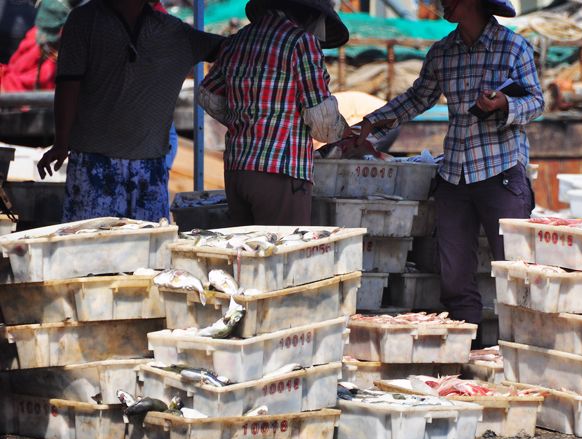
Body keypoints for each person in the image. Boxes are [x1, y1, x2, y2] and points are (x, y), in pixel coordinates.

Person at [356, 0, 543, 334]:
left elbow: (536, 101)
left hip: (501, 171)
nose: (443, 5)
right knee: (454, 274)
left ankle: (523, 343)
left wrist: (505, 103)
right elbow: (418, 98)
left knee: (516, 268)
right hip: (454, 173)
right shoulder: (443, 52)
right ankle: (466, 348)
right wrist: (372, 123)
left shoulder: (514, 47)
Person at [36, 0, 225, 223]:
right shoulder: (86, 20)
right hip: (111, 166)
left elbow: (68, 85)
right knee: (131, 251)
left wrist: (61, 143)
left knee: (100, 249)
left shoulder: (171, 30)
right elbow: (68, 85)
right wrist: (60, 144)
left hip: (126, 166)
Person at [198, 0, 350, 226]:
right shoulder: (301, 41)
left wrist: (243, 117)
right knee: (285, 257)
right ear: (311, 15)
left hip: (237, 170)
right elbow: (322, 121)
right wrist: (344, 134)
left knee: (245, 256)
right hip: (280, 172)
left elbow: (207, 95)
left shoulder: (237, 40)